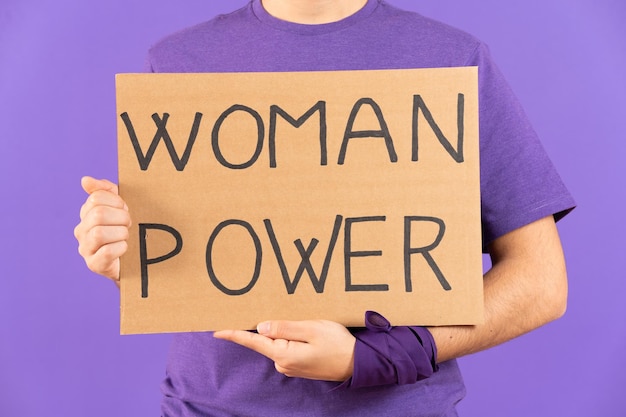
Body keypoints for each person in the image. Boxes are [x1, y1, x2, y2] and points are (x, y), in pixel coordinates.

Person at [74, 0, 576, 415]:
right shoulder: (177, 59)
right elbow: (191, 261)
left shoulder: (452, 59)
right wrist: (124, 257)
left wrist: (378, 355)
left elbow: (541, 281)